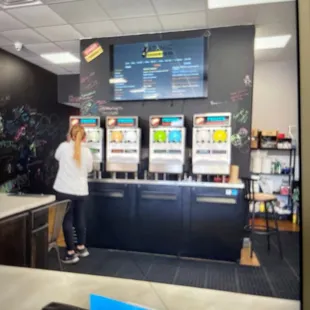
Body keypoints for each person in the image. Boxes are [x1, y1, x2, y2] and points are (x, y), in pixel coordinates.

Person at [53, 124, 93, 264]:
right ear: (84, 137)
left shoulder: (63, 147)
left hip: (64, 190)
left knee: (67, 220)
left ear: (69, 135)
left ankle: (70, 253)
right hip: (81, 190)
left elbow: (57, 157)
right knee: (79, 218)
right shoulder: (87, 151)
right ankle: (81, 247)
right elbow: (89, 169)